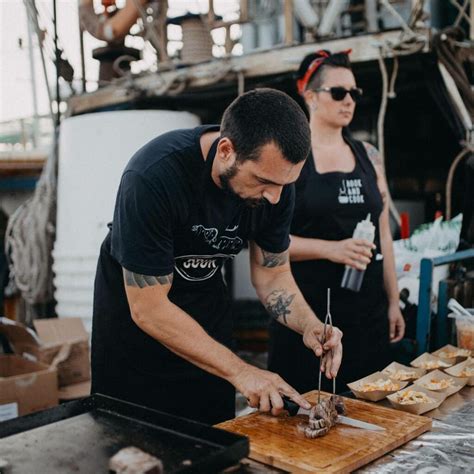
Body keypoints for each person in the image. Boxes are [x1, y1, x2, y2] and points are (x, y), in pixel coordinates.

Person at [91, 88, 343, 425]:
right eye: (263, 181)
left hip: (209, 336)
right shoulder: (153, 176)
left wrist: (309, 324)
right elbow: (148, 309)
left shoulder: (276, 185)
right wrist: (241, 371)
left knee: (215, 447)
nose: (274, 198)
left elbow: (272, 274)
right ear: (226, 151)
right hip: (136, 345)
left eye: (285, 184)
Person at [268, 51, 405, 394]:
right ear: (310, 96)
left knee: (373, 413)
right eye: (339, 93)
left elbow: (383, 233)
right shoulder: (290, 157)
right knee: (308, 420)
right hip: (311, 317)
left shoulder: (368, 155)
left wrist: (393, 301)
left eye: (354, 94)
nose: (349, 102)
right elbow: (268, 243)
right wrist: (332, 249)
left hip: (368, 314)